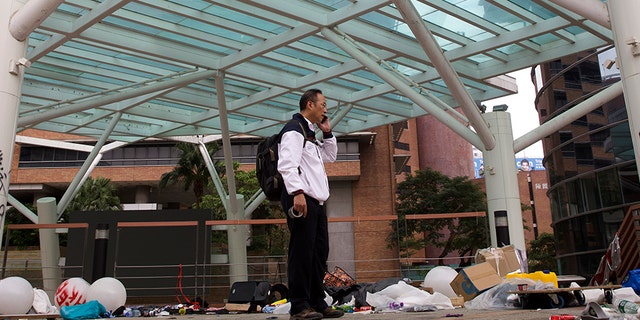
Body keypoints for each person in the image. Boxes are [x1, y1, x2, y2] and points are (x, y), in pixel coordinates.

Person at [277, 89, 342, 320]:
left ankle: (316, 301)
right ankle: (299, 306)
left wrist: (328, 132)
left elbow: (330, 157)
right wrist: (297, 193)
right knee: (302, 252)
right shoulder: (294, 130)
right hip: (302, 198)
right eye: (322, 104)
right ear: (309, 104)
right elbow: (286, 164)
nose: (325, 109)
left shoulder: (310, 133)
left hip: (316, 201)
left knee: (318, 253)